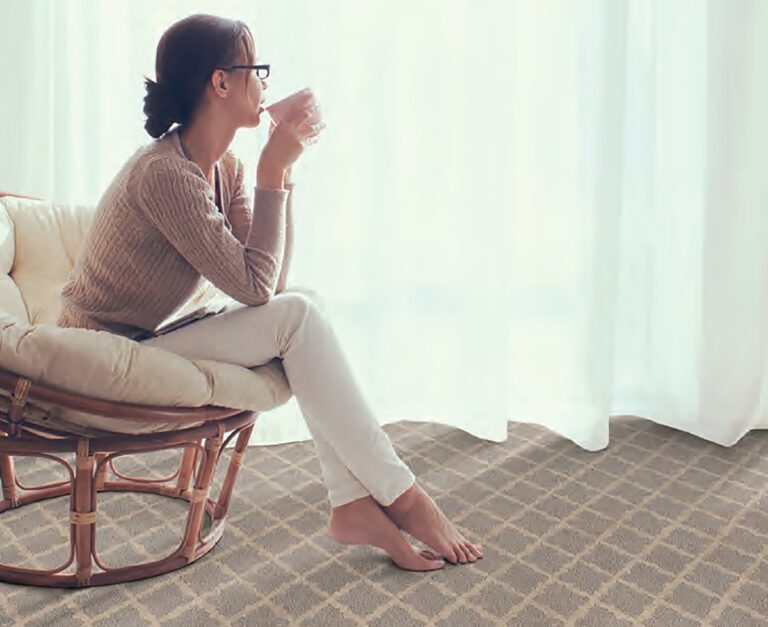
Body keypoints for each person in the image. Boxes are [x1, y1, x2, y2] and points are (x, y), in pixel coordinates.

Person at [57, 13, 483, 571]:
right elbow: (260, 289)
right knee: (299, 315)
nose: (265, 82)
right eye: (255, 67)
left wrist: (279, 175)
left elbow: (271, 282)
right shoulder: (165, 175)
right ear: (220, 82)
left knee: (305, 306)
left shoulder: (221, 168)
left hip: (147, 341)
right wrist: (272, 165)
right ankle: (402, 498)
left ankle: (354, 502)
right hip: (102, 358)